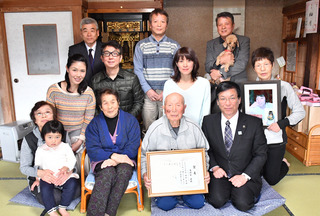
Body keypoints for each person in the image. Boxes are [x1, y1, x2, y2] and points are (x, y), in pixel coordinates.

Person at [202, 81, 267, 211]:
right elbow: (205, 149)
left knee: (243, 204)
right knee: (217, 201)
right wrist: (214, 167)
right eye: (223, 99)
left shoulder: (254, 123)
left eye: (232, 98)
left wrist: (245, 176)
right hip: (220, 172)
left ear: (239, 100)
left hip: (244, 172)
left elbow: (261, 154)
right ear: (218, 102)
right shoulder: (208, 121)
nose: (228, 103)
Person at [141, 92, 210, 211]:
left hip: (188, 177)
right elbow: (144, 155)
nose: (173, 110)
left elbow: (204, 153)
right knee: (166, 205)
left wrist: (205, 171)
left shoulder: (194, 127)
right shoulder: (155, 128)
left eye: (178, 105)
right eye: (169, 105)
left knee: (197, 203)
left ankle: (185, 193)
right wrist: (145, 174)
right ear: (163, 107)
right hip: (165, 180)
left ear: (184, 108)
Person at [251, 47, 305, 185]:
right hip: (255, 140)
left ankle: (284, 163)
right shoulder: (249, 88)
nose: (262, 69)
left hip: (276, 138)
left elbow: (300, 112)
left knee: (271, 179)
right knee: (254, 174)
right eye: (258, 65)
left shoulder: (284, 86)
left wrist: (280, 124)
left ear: (273, 65)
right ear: (254, 68)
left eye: (266, 64)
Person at [85, 88, 140, 216]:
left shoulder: (130, 120)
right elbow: (93, 149)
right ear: (100, 106)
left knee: (124, 171)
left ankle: (109, 213)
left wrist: (117, 159)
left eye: (113, 102)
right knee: (107, 173)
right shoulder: (94, 124)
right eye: (105, 103)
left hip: (126, 159)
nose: (110, 106)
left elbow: (133, 146)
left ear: (118, 102)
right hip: (102, 160)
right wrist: (112, 156)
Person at [20, 101, 80, 210]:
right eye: (39, 113)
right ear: (34, 119)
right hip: (42, 178)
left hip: (62, 176)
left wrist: (68, 172)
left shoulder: (63, 134)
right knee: (55, 198)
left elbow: (70, 158)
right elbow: (24, 167)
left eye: (47, 112)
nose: (43, 115)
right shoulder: (29, 139)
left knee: (77, 188)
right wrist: (40, 174)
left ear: (54, 116)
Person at [46, 54, 96, 174]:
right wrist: (58, 141)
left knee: (82, 165)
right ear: (67, 68)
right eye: (74, 70)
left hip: (80, 135)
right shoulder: (54, 90)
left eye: (82, 71)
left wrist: (79, 142)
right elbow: (50, 118)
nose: (78, 75)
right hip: (59, 134)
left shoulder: (88, 93)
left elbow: (88, 121)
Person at [134, 8, 180, 131]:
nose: (159, 25)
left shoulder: (174, 45)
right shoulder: (141, 45)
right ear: (150, 25)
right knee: (149, 127)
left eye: (162, 22)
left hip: (168, 94)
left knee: (168, 127)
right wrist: (148, 90)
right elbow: (138, 70)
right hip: (148, 94)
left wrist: (166, 90)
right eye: (155, 21)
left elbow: (177, 69)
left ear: (167, 25)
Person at [34, 120, 78, 216]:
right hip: (48, 177)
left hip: (64, 176)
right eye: (50, 137)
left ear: (62, 136)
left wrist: (66, 167)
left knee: (73, 183)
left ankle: (63, 207)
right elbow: (37, 165)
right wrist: (37, 179)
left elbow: (72, 159)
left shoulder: (65, 147)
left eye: (57, 137)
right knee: (44, 188)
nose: (53, 140)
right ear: (44, 136)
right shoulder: (40, 150)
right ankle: (52, 211)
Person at [91, 40, 144, 118]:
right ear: (102, 58)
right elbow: (93, 106)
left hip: (127, 122)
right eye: (106, 54)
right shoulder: (95, 80)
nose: (111, 57)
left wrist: (127, 118)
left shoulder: (132, 78)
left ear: (120, 58)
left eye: (115, 54)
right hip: (103, 124)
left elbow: (139, 102)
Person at [163, 47, 211, 126]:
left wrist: (199, 133)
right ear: (176, 63)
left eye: (189, 61)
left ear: (194, 63)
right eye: (181, 61)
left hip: (197, 131)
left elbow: (206, 114)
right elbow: (165, 113)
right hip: (174, 130)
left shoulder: (204, 84)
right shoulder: (169, 84)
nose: (185, 65)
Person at [205, 12, 250, 83]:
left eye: (226, 24)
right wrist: (221, 61)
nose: (223, 27)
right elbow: (208, 66)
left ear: (233, 26)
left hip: (237, 83)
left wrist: (220, 72)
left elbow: (241, 64)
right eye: (220, 25)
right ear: (217, 27)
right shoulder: (211, 44)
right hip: (217, 85)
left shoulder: (243, 41)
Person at [68, 17, 104, 85]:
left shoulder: (105, 48)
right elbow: (70, 73)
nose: (89, 34)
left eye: (92, 31)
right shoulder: (74, 50)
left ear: (98, 33)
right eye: (85, 31)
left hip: (102, 89)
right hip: (82, 89)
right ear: (81, 34)